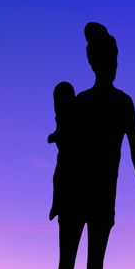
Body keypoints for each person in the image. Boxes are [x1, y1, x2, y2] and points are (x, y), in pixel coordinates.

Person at [53, 22, 135, 269]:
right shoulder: (119, 103)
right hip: (97, 195)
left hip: (86, 195)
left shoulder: (86, 103)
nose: (114, 63)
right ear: (100, 61)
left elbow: (66, 149)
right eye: (112, 58)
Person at [48, 81, 76, 221]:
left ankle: (57, 204)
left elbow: (65, 132)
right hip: (64, 155)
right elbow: (58, 130)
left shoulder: (73, 113)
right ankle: (56, 204)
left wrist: (56, 137)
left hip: (70, 156)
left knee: (59, 177)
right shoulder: (59, 115)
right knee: (57, 178)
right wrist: (54, 136)